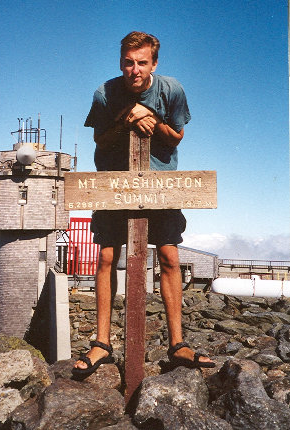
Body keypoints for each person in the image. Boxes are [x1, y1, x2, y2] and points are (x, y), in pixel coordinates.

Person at [73, 31, 215, 376]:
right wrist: (127, 118)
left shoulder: (171, 90)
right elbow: (100, 139)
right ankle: (101, 344)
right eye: (127, 62)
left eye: (141, 63)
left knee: (169, 255)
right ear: (120, 61)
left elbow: (177, 136)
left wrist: (149, 116)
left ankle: (178, 344)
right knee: (107, 256)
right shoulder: (105, 94)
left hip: (160, 184)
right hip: (115, 184)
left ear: (153, 63)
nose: (134, 70)